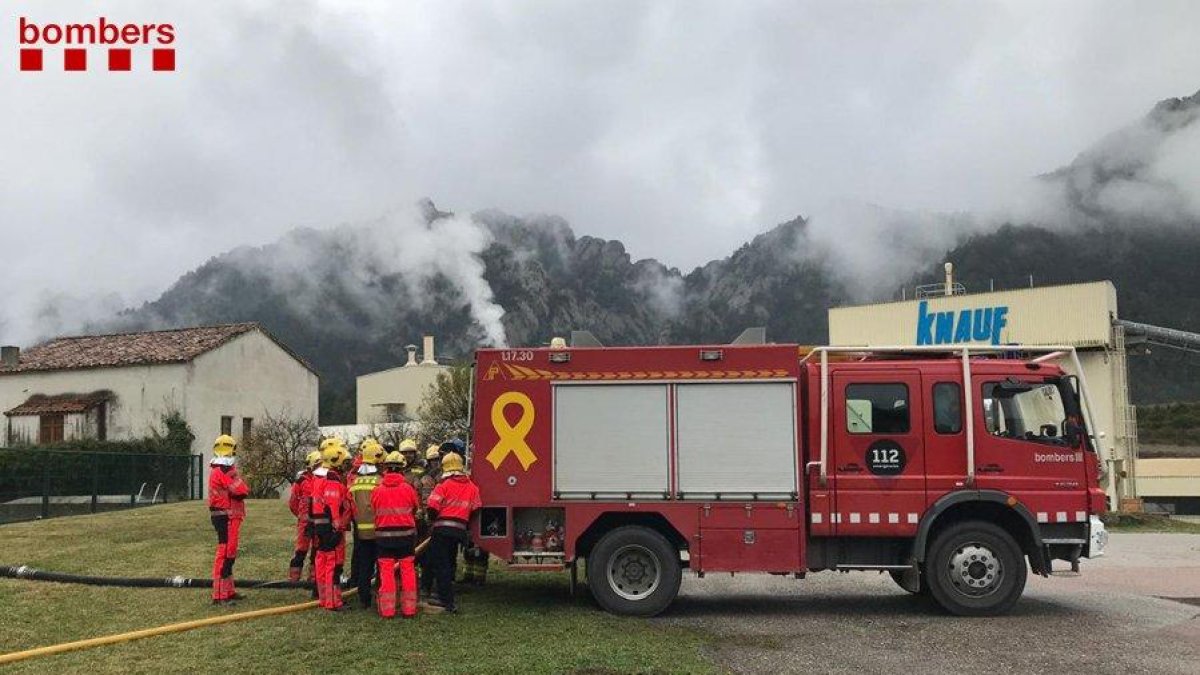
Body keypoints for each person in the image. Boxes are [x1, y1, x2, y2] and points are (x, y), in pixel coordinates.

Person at [425, 452, 481, 613]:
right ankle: (446, 592)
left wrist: (433, 521)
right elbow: (476, 508)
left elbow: (432, 507)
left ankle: (445, 600)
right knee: (450, 562)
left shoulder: (443, 486)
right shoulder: (472, 487)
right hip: (459, 531)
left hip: (442, 530)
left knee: (440, 564)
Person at [372, 450, 421, 618]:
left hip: (383, 538)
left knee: (386, 573)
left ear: (386, 469)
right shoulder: (408, 489)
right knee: (407, 571)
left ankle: (387, 610)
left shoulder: (377, 490)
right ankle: (409, 609)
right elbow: (416, 508)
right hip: (406, 537)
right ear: (402, 469)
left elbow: (374, 509)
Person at [310, 438, 355, 611]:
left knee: (322, 562)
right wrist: (337, 529)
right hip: (331, 528)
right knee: (333, 566)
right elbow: (333, 507)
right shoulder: (332, 482)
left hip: (321, 527)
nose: (345, 466)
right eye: (343, 463)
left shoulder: (319, 479)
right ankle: (333, 602)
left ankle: (324, 599)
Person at [208, 434, 249, 605]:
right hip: (226, 517)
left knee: (229, 554)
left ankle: (228, 591)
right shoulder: (224, 471)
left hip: (227, 516)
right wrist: (238, 480)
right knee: (225, 555)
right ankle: (220, 595)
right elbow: (241, 490)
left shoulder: (220, 469)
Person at [348, 438, 385, 609]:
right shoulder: (380, 482)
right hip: (379, 530)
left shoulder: (355, 481)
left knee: (364, 566)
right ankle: (381, 597)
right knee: (382, 566)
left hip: (361, 532)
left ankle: (364, 599)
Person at [287, 450, 321, 583]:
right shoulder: (301, 481)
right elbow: (293, 503)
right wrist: (302, 516)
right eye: (317, 465)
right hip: (305, 523)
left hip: (318, 521)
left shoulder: (321, 480)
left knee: (317, 550)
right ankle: (294, 578)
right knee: (301, 549)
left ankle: (313, 578)